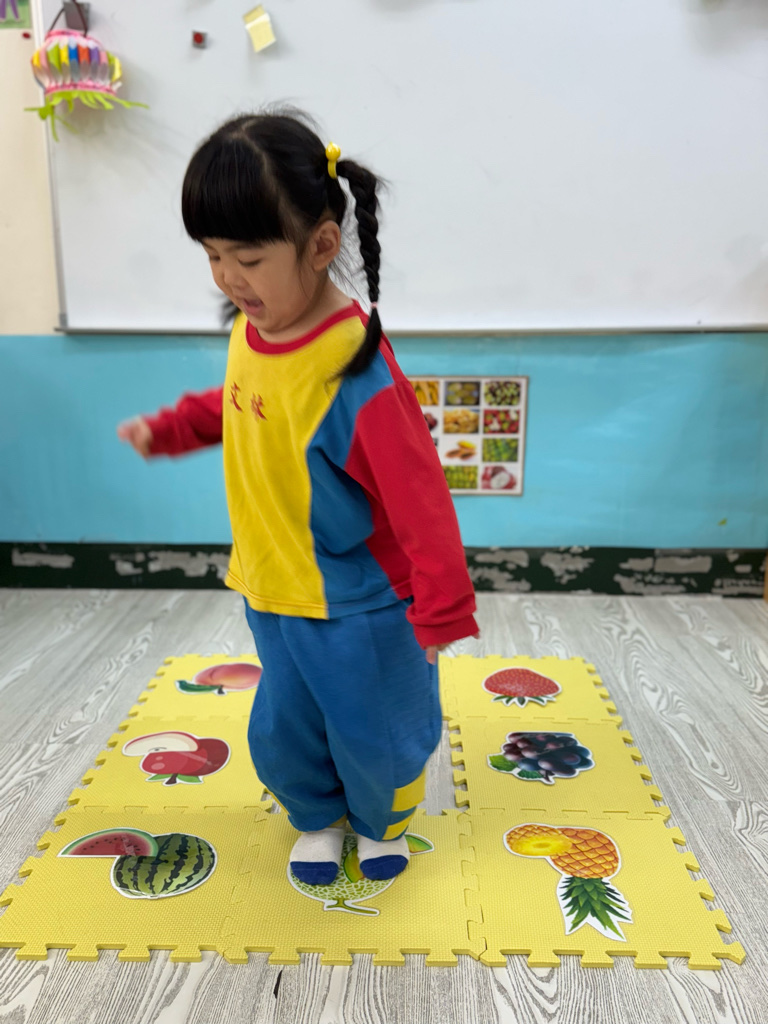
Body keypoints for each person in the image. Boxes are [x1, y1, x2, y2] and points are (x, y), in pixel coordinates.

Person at [118, 111, 478, 885]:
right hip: (272, 584)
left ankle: (380, 824)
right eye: (213, 255)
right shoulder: (254, 329)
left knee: (375, 729)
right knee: (286, 726)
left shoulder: (355, 370)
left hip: (357, 603)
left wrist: (442, 606)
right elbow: (243, 405)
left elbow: (419, 496)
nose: (227, 277)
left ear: (320, 245)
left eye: (247, 257)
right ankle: (316, 816)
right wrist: (173, 428)